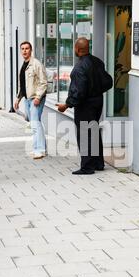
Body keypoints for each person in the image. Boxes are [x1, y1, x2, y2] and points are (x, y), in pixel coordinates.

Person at [56, 38, 111, 175]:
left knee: (85, 133)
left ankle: (87, 166)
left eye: (75, 48)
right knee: (94, 130)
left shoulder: (79, 68)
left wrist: (66, 105)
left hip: (85, 104)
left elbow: (78, 92)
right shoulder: (97, 62)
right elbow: (108, 81)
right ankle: (98, 163)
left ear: (78, 49)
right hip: (97, 101)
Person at [13, 41, 48, 160]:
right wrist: (18, 99)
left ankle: (39, 150)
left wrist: (38, 97)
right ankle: (42, 149)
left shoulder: (36, 64)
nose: (24, 51)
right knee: (35, 123)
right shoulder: (24, 65)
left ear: (31, 50)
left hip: (35, 99)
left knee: (34, 124)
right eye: (22, 49)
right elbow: (22, 85)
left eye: (27, 48)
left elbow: (44, 82)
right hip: (27, 99)